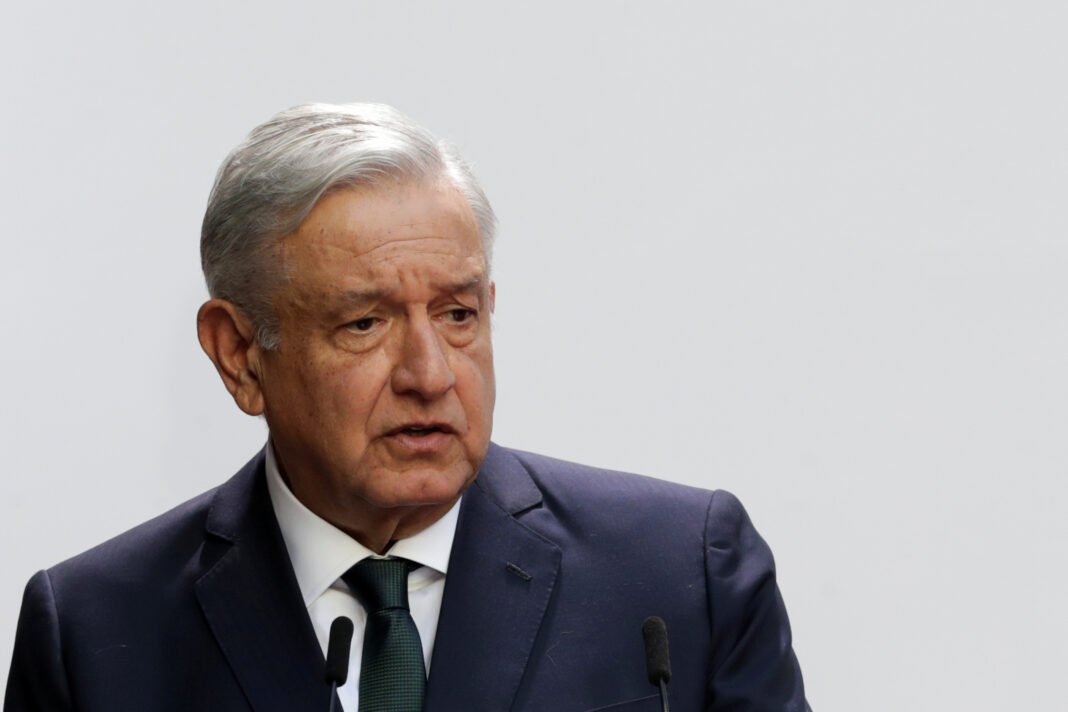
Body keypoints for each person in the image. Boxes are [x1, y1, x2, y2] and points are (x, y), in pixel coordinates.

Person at [4, 103, 809, 712]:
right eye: (365, 323)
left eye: (458, 315)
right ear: (240, 355)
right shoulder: (94, 636)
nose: (430, 374)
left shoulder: (680, 577)